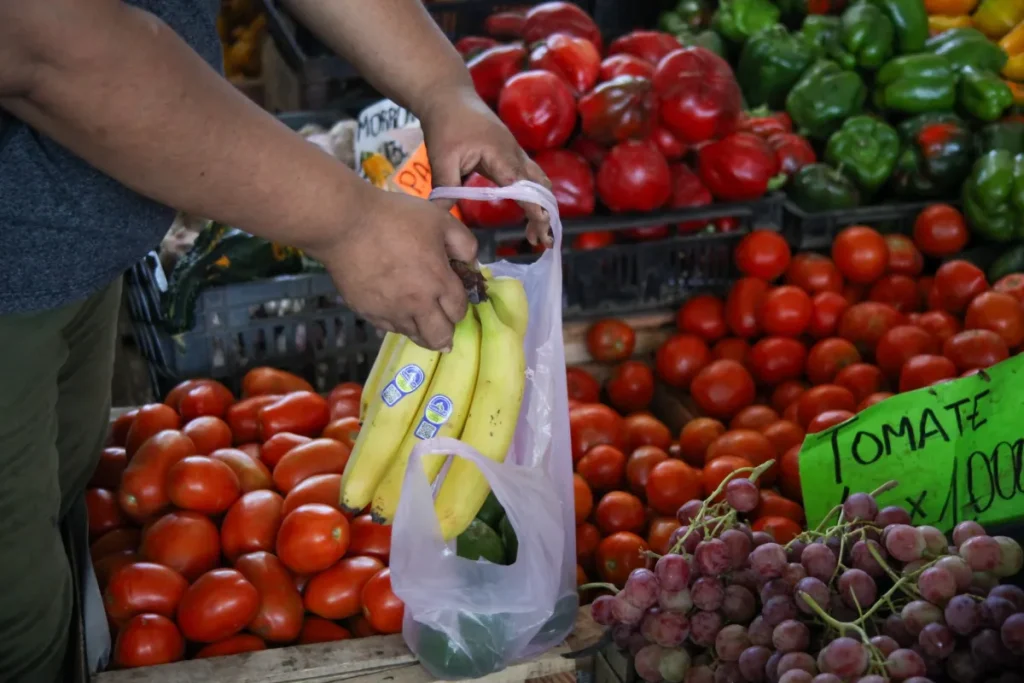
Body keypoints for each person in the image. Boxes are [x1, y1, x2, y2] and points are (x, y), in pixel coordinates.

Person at [0, 0, 550, 679]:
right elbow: (44, 41)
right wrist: (349, 223)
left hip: (71, 259)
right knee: (18, 621)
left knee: (56, 515)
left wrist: (443, 89)